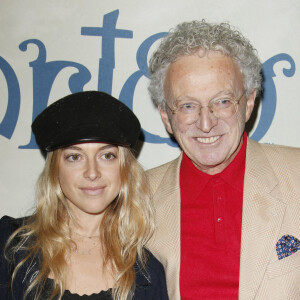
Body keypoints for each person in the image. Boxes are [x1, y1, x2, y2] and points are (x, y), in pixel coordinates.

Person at [146, 20, 300, 300]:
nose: (206, 123)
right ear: (166, 116)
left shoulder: (296, 176)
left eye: (223, 101)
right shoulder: (136, 197)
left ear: (249, 102)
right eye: (188, 106)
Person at [0, 91, 169, 300]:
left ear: (124, 168)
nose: (92, 172)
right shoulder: (11, 246)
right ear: (56, 169)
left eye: (107, 156)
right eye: (75, 157)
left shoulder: (148, 273)